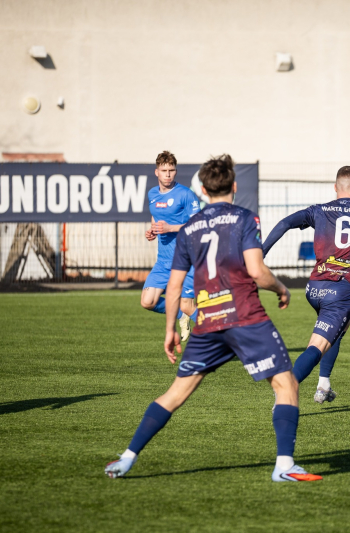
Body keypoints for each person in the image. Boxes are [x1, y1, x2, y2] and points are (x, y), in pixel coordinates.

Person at [106, 155, 321, 482]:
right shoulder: (246, 219)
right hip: (245, 315)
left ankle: (126, 458)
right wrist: (281, 288)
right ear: (233, 186)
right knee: (286, 384)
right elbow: (257, 271)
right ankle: (284, 466)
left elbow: (175, 286)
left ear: (203, 190)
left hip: (207, 320)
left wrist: (170, 330)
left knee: (175, 394)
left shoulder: (190, 228)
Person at [262, 166, 350, 404]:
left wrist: (262, 252)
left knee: (341, 326)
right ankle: (286, 388)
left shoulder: (318, 210)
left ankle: (324, 384)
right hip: (342, 290)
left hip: (314, 288)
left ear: (335, 188)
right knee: (317, 344)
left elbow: (284, 223)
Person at [142, 151, 201, 341]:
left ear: (176, 171)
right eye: (164, 170)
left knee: (187, 304)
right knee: (147, 301)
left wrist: (171, 228)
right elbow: (156, 218)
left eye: (171, 170)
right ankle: (180, 316)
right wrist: (153, 230)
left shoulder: (186, 195)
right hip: (164, 262)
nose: (167, 174)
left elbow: (198, 226)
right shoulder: (152, 194)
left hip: (187, 260)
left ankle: (226, 339)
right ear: (156, 172)